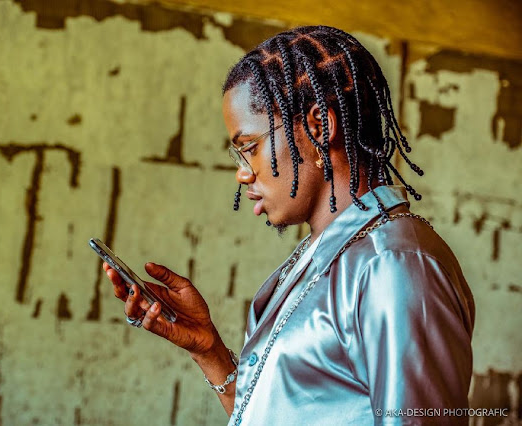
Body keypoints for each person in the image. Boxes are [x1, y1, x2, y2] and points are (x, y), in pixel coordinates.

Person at [103, 26, 475, 425]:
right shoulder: (324, 255)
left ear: (319, 127)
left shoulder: (393, 263)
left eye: (249, 148)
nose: (242, 173)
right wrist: (208, 350)